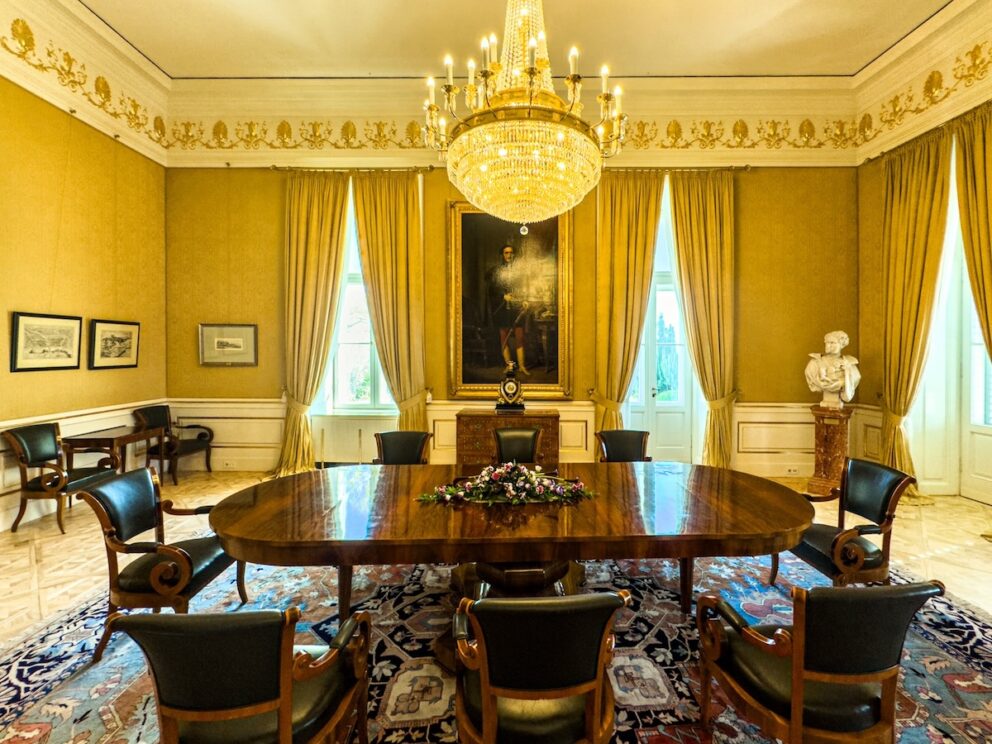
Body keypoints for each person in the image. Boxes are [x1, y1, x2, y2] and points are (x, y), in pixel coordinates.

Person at [487, 244, 531, 375]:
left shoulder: (519, 272)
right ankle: (509, 365)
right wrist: (502, 296)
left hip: (516, 308)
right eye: (506, 253)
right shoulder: (496, 271)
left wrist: (524, 299)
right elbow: (491, 290)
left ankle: (522, 366)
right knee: (504, 337)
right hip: (502, 309)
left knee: (519, 336)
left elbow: (524, 287)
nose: (509, 255)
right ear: (502, 255)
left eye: (511, 253)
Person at [805, 330, 861, 407]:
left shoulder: (850, 364)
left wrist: (845, 376)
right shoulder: (815, 363)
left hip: (838, 404)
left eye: (832, 343)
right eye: (827, 342)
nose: (828, 345)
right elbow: (814, 380)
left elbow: (855, 378)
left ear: (841, 345)